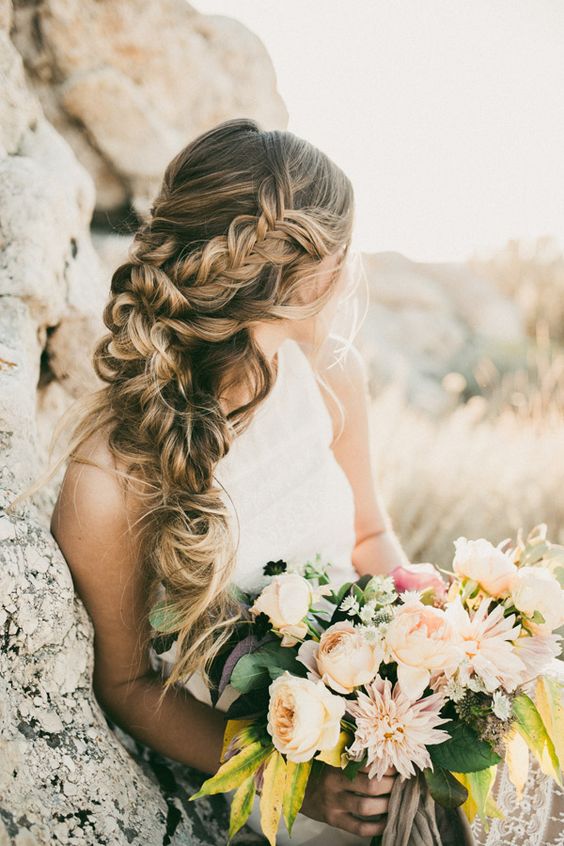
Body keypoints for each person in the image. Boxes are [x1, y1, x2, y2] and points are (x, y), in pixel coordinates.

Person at [15, 118, 444, 844]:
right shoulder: (108, 479)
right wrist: (293, 783)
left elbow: (369, 533)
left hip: (387, 734)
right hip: (255, 794)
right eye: (342, 248)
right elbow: (125, 685)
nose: (350, 266)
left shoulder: (332, 376)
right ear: (303, 274)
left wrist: (432, 644)